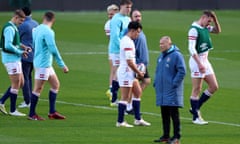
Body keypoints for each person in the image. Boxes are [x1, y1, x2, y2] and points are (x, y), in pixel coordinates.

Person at [28, 11, 69, 120]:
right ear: (53, 20)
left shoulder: (36, 29)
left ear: (43, 18)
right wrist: (62, 65)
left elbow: (34, 44)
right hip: (43, 64)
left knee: (55, 85)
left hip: (44, 63)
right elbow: (53, 49)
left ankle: (52, 112)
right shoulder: (48, 32)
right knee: (38, 88)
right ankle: (32, 114)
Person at [188, 10, 221, 125]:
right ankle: (196, 118)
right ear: (203, 17)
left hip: (205, 61)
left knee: (214, 86)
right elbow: (191, 49)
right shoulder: (194, 30)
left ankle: (195, 108)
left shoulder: (205, 28)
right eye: (208, 21)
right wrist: (199, 64)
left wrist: (216, 20)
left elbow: (217, 31)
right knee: (197, 89)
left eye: (211, 22)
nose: (209, 24)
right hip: (197, 62)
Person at [116, 21, 150, 127]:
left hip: (130, 72)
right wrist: (139, 72)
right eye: (137, 32)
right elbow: (129, 62)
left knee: (138, 92)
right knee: (125, 97)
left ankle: (137, 119)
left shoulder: (129, 40)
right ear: (132, 30)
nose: (138, 34)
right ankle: (120, 121)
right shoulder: (127, 42)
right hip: (126, 72)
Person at [153, 36, 186, 144]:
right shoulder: (161, 57)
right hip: (163, 91)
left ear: (169, 44)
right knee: (164, 115)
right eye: (159, 44)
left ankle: (176, 137)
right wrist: (156, 83)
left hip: (172, 91)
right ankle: (166, 136)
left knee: (174, 115)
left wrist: (174, 83)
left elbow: (182, 71)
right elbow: (158, 71)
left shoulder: (176, 55)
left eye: (163, 44)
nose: (160, 46)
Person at [0, 9, 30, 116]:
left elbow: (14, 42)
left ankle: (1, 101)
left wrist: (23, 46)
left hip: (15, 59)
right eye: (21, 21)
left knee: (21, 82)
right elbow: (8, 45)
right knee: (16, 83)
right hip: (10, 59)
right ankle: (13, 110)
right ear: (16, 17)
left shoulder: (13, 27)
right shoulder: (9, 28)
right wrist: (20, 52)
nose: (21, 23)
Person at [126, 9, 151, 114]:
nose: (138, 18)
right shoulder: (132, 32)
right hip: (137, 63)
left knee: (146, 81)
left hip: (142, 63)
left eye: (139, 16)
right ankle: (128, 106)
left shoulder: (139, 29)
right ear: (132, 18)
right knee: (133, 85)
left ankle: (130, 103)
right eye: (136, 16)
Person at [108, 0, 132, 106]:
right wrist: (123, 47)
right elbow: (114, 37)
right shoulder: (116, 19)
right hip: (117, 50)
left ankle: (116, 97)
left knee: (122, 72)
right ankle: (114, 98)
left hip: (124, 49)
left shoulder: (128, 19)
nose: (129, 9)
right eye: (127, 7)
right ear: (121, 6)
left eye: (130, 7)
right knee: (118, 72)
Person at [18, 7, 39, 108]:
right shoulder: (35, 23)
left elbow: (16, 39)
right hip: (34, 54)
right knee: (29, 77)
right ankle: (29, 99)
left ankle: (27, 101)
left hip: (25, 54)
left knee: (24, 78)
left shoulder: (22, 25)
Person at [104, 4, 119, 100]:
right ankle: (112, 91)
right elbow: (111, 38)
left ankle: (112, 90)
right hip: (114, 50)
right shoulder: (108, 24)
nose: (110, 16)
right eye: (109, 14)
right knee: (114, 70)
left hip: (115, 49)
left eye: (112, 14)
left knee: (115, 70)